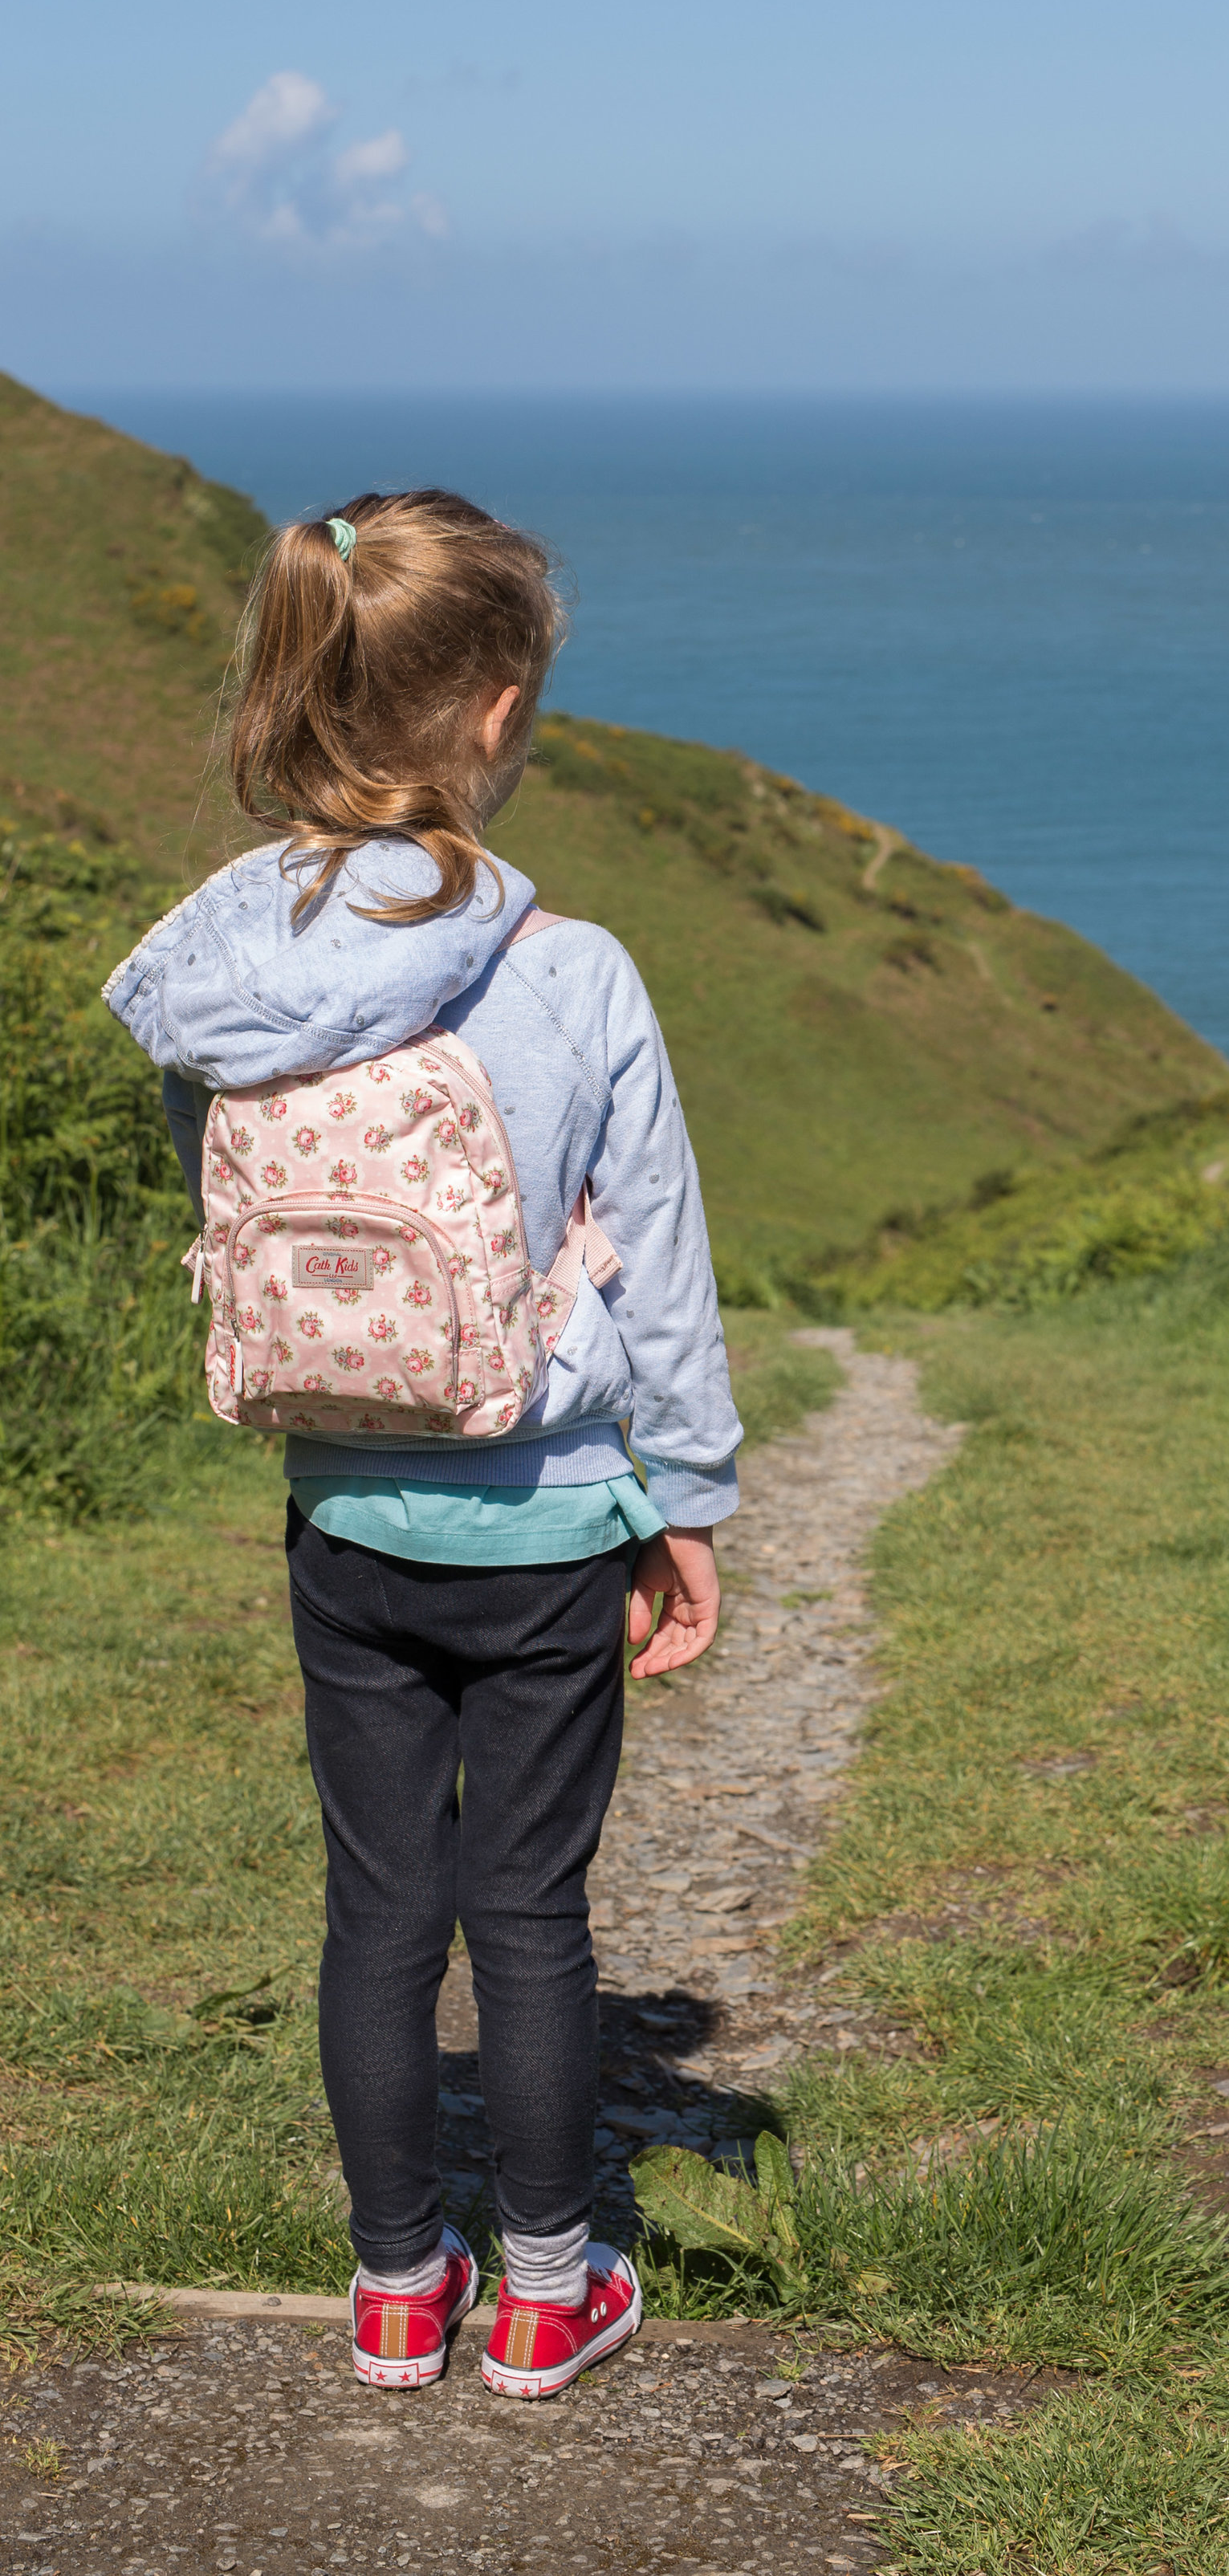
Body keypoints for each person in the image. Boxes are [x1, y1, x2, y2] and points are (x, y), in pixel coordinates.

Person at [104, 490, 742, 2398]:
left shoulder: (230, 968)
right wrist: (686, 1502)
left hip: (344, 1513)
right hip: (545, 1518)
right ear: (496, 711)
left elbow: (209, 1192)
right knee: (529, 1910)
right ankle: (547, 2290)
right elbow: (670, 1263)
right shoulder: (573, 972)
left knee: (378, 1906)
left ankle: (397, 2288)